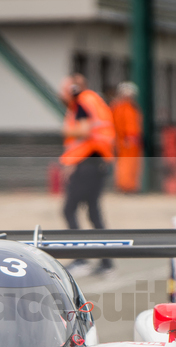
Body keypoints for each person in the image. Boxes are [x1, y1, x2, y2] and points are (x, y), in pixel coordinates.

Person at [60, 73, 115, 275]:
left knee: (69, 209)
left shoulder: (82, 102)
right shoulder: (93, 100)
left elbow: (84, 130)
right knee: (93, 212)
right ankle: (107, 263)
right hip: (97, 161)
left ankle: (81, 259)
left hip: (89, 162)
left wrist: (66, 130)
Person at [111, 81, 142, 194]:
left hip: (132, 141)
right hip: (125, 141)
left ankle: (131, 186)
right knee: (125, 165)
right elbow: (119, 125)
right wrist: (126, 138)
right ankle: (125, 186)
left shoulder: (130, 107)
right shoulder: (120, 107)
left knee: (132, 165)